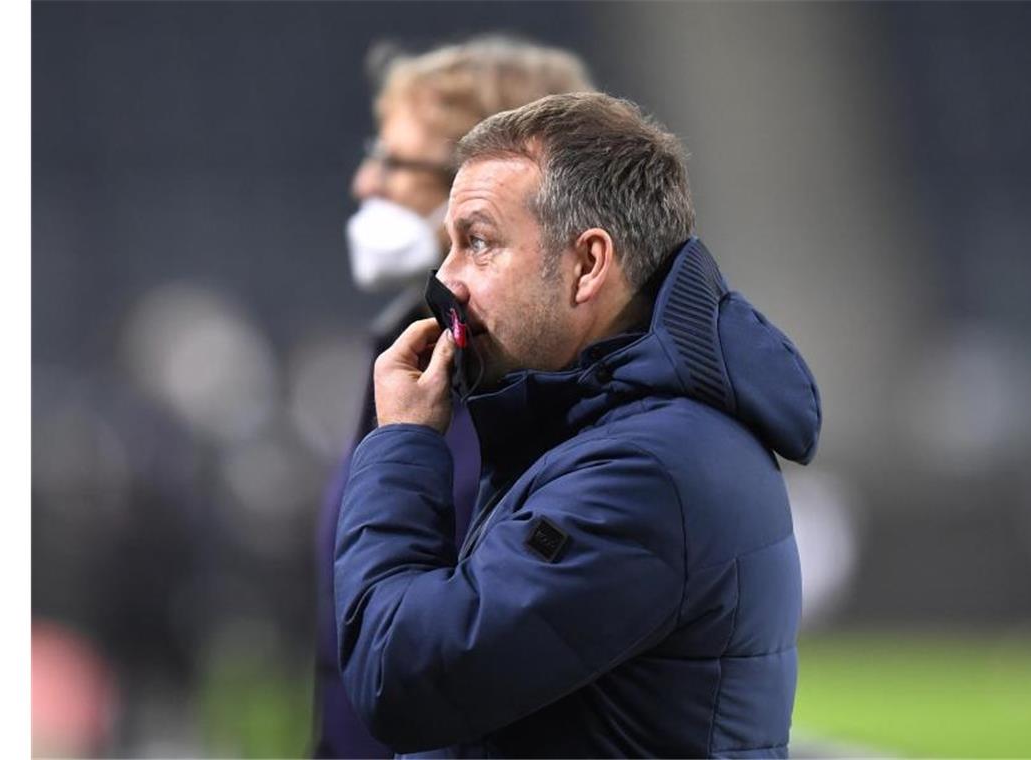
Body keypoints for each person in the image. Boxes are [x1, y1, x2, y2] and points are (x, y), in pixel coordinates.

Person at [335, 92, 822, 757]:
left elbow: (401, 675)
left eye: (478, 242)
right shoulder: (594, 431)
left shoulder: (648, 471)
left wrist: (402, 444)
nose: (446, 280)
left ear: (588, 264)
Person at [314, 37, 594, 758]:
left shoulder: (538, 392)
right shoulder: (409, 349)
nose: (366, 184)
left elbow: (458, 650)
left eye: (396, 162)